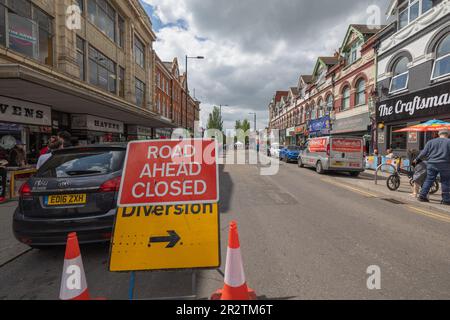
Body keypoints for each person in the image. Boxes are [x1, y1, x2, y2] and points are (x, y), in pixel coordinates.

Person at [414, 129, 450, 205]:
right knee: (446, 181)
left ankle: (422, 196)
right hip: (445, 164)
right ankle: (446, 200)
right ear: (448, 134)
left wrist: (417, 159)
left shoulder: (431, 142)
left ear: (439, 134)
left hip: (431, 163)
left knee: (429, 179)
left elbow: (424, 152)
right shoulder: (449, 142)